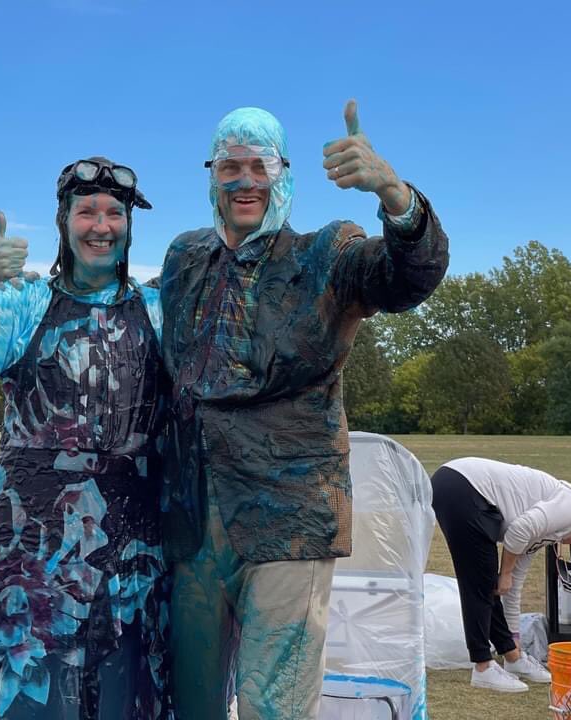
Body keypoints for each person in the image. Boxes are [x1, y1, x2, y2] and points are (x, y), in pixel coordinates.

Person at [159, 102, 449, 719]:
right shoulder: (183, 259)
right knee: (191, 706)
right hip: (193, 524)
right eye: (229, 165)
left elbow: (406, 279)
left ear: (283, 172)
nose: (244, 180)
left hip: (288, 517)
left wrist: (395, 197)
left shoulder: (327, 253)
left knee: (275, 706)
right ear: (211, 175)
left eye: (259, 165)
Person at [0, 157, 171, 719]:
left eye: (114, 213)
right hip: (30, 566)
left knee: (122, 699)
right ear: (63, 222)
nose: (101, 225)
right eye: (87, 211)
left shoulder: (157, 309)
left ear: (130, 224)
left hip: (132, 565)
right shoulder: (22, 305)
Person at [431, 456, 571, 692]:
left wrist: (514, 636)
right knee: (479, 584)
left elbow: (513, 585)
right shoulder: (570, 509)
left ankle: (513, 658)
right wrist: (504, 572)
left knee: (488, 584)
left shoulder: (550, 528)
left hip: (461, 486)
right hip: (462, 486)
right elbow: (518, 531)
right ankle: (483, 667)